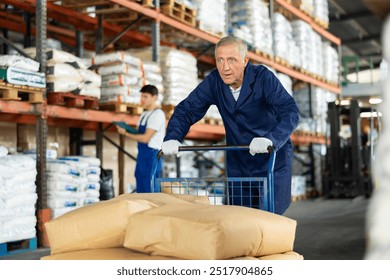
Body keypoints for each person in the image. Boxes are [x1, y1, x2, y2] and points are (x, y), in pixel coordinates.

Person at [161, 35, 299, 214]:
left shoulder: (263, 78)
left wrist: (270, 139)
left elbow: (290, 111)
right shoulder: (215, 81)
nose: (225, 67)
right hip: (239, 160)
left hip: (271, 158)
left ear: (245, 61)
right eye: (220, 60)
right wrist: (173, 137)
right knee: (240, 217)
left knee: (269, 217)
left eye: (231, 60)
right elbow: (187, 109)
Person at [116, 84, 166, 193]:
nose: (142, 99)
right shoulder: (144, 114)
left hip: (153, 155)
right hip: (143, 154)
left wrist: (125, 133)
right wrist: (126, 128)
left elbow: (145, 138)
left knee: (151, 185)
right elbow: (138, 132)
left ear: (154, 98)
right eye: (141, 96)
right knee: (140, 179)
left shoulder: (158, 114)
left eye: (145, 97)